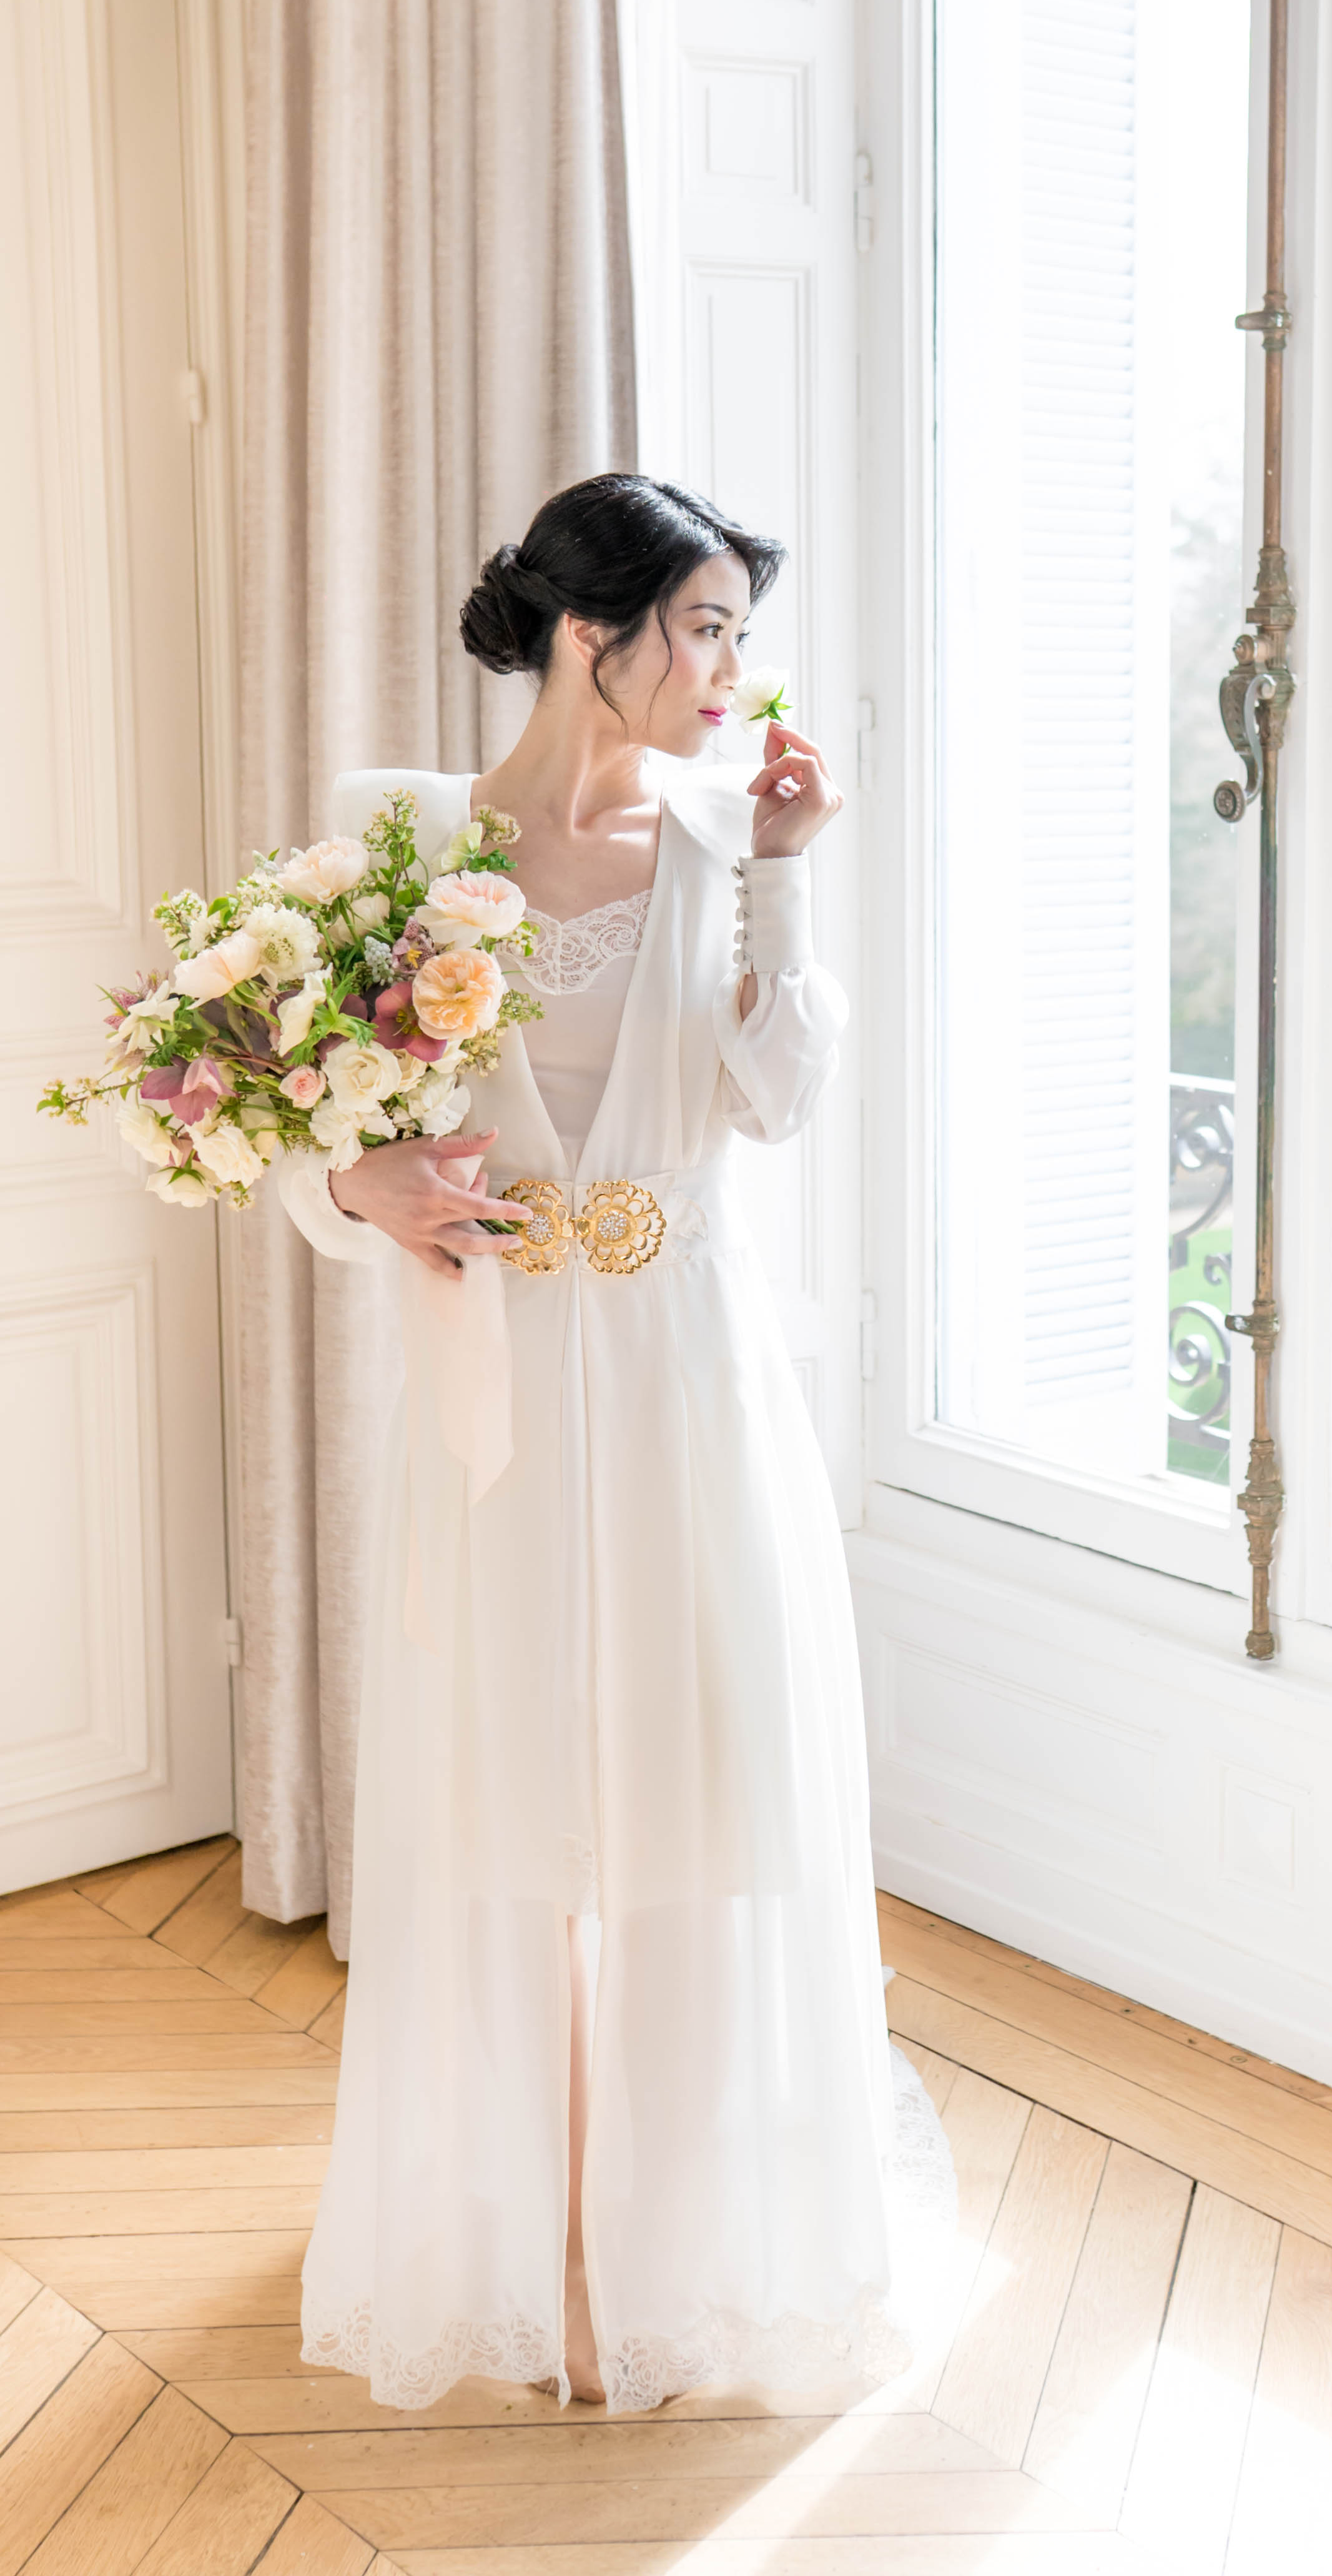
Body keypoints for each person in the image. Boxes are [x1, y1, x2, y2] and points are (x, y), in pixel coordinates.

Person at [278, 472, 950, 2412]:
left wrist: (796, 871)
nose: (734, 671)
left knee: (683, 1796)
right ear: (599, 635)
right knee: (510, 1801)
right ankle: (527, 2241)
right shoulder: (395, 840)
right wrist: (364, 1190)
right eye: (709, 628)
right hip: (494, 1386)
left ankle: (675, 2241)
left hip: (681, 1371)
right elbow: (317, 1134)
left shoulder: (735, 829)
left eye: (739, 630)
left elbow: (777, 1095)